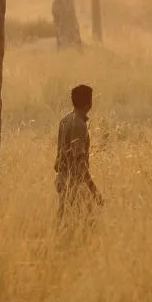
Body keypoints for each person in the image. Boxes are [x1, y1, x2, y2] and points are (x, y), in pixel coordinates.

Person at [54, 84, 103, 218]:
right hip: (74, 183)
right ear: (89, 103)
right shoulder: (79, 125)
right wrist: (93, 190)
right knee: (84, 222)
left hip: (62, 178)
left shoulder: (65, 120)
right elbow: (79, 162)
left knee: (64, 220)